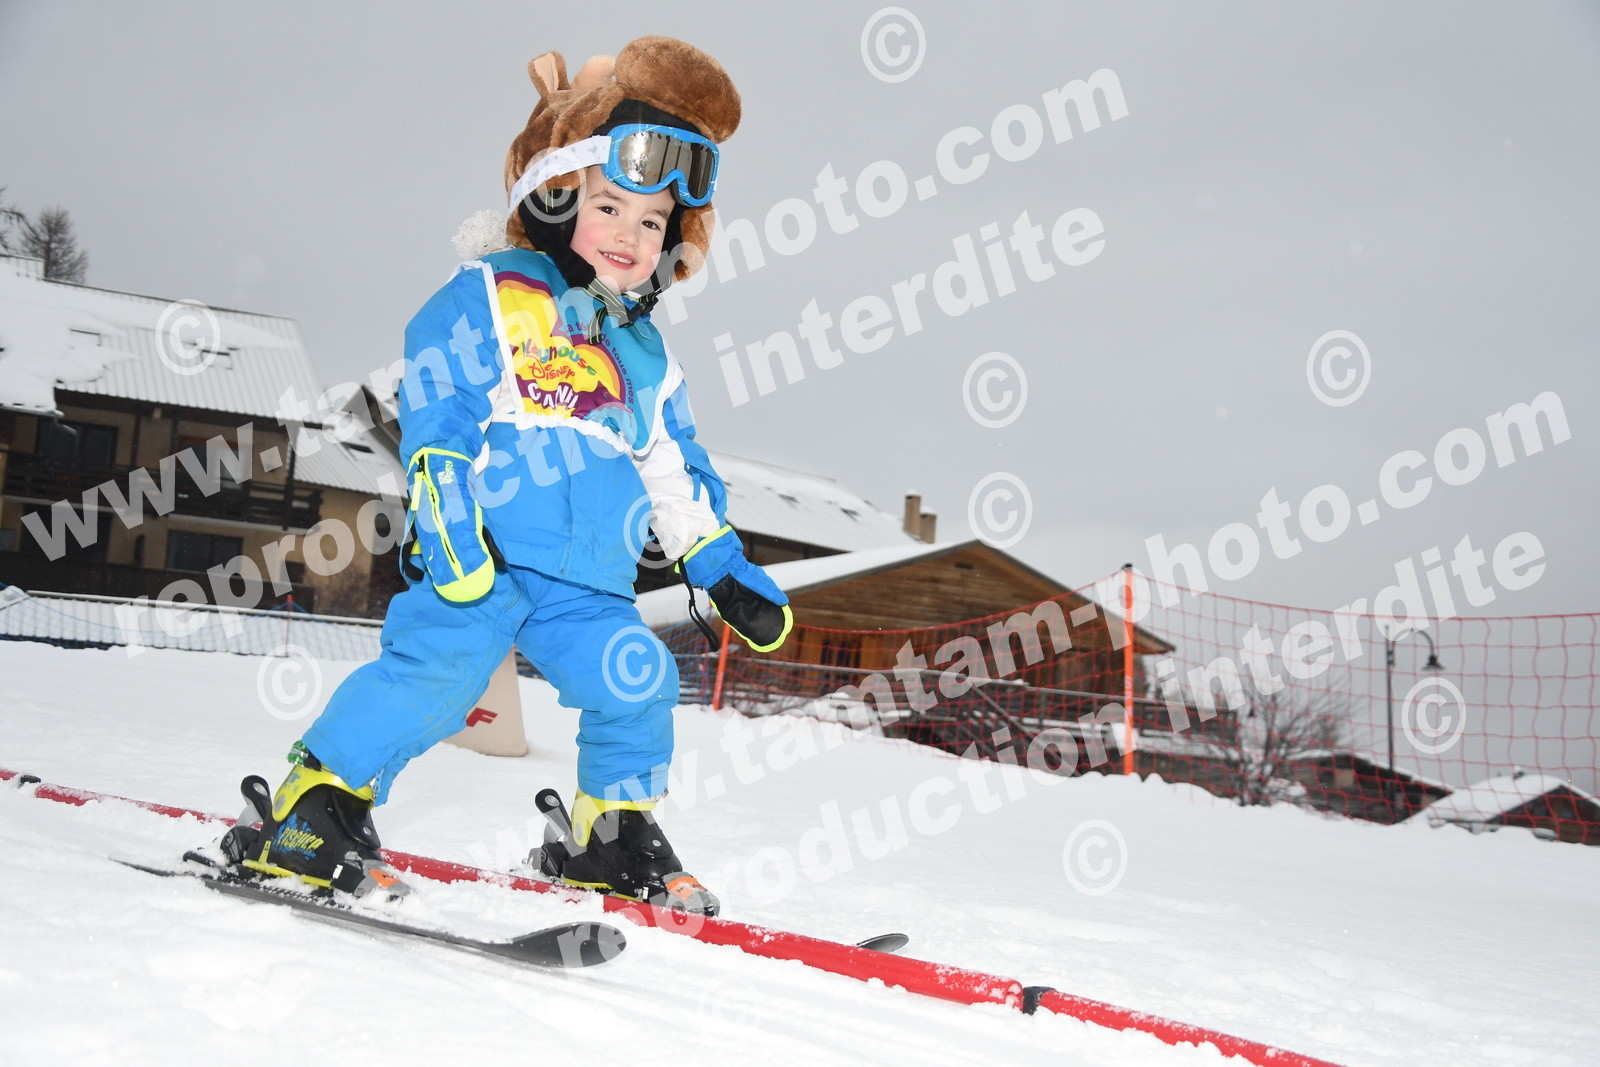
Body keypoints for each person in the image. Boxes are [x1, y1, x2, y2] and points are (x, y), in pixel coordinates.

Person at [219, 37, 790, 916]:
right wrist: (448, 518)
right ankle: (313, 806)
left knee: (637, 676)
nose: (632, 235)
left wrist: (720, 566)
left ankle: (608, 831)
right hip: (482, 555)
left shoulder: (645, 356)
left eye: (653, 223)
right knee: (435, 677)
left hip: (588, 588)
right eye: (611, 207)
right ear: (558, 199)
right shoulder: (493, 293)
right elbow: (440, 405)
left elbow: (675, 468)